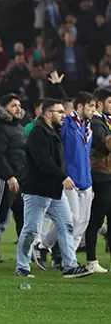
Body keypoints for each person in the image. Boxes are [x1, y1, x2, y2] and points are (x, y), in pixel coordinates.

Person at [14, 99, 92, 280]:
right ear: (48, 114)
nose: (63, 115)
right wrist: (62, 177)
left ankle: (69, 266)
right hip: (37, 190)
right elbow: (43, 161)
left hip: (54, 190)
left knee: (66, 224)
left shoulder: (54, 131)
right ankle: (22, 266)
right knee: (31, 230)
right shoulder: (38, 133)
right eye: (59, 112)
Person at [33, 92, 95, 268]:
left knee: (82, 223)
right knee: (72, 219)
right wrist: (56, 88)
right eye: (90, 106)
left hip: (86, 180)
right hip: (70, 180)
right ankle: (43, 245)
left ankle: (67, 260)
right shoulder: (67, 123)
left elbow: (86, 156)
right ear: (80, 107)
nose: (94, 110)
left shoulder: (88, 127)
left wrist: (91, 181)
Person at [0, 94, 27, 259]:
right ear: (4, 109)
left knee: (23, 214)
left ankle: (24, 250)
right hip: (5, 178)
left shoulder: (19, 127)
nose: (18, 108)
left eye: (19, 105)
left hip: (20, 178)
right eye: (13, 105)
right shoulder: (0, 129)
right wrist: (9, 176)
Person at [84, 88, 111, 274]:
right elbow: (105, 145)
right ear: (100, 103)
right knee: (95, 220)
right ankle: (91, 260)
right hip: (100, 177)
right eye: (110, 102)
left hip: (108, 175)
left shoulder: (105, 121)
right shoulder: (96, 122)